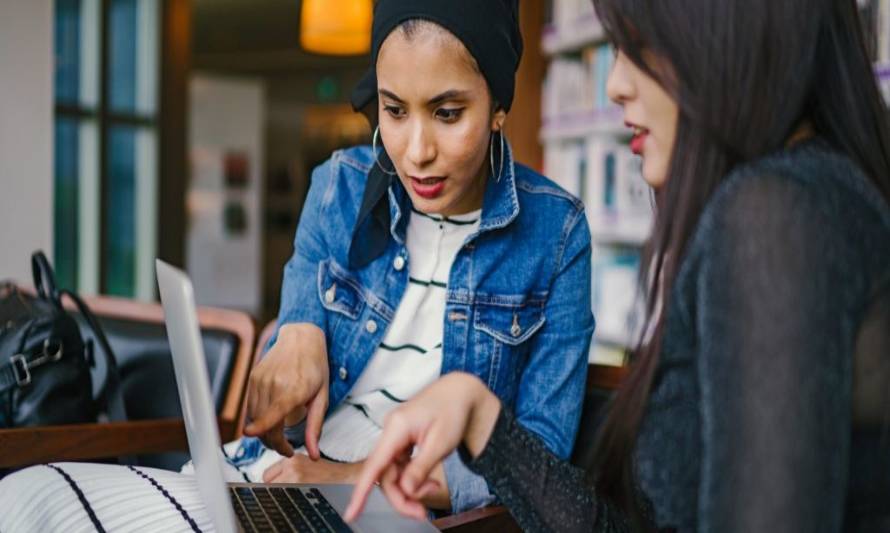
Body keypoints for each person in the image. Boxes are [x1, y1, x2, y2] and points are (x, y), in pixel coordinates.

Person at [347, 0, 890, 530]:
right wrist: (481, 420)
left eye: (639, 47)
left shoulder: (774, 216)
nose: (615, 84)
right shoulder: (809, 198)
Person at [240, 0, 595, 515]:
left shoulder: (557, 234)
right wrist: (297, 331)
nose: (416, 151)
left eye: (447, 113)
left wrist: (352, 479)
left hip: (394, 509)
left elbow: (537, 459)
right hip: (275, 472)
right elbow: (295, 329)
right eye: (395, 111)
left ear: (498, 106)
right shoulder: (337, 186)